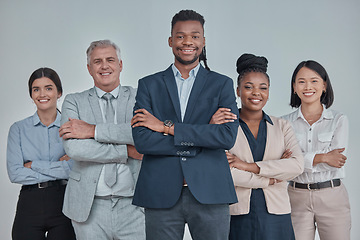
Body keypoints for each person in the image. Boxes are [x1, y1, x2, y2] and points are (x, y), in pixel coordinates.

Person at [130, 9, 239, 240]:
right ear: (170, 41)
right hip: (160, 191)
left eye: (195, 36)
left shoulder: (222, 85)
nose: (187, 41)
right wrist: (203, 134)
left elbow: (226, 137)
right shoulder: (149, 85)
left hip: (211, 190)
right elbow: (143, 141)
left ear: (203, 41)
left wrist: (166, 127)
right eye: (180, 36)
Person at [59, 39, 145, 240]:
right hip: (89, 208)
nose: (104, 66)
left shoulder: (140, 96)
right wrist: (127, 151)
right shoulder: (74, 101)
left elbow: (140, 134)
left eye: (110, 60)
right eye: (97, 61)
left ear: (120, 65)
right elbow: (75, 149)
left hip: (134, 206)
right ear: (89, 68)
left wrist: (92, 130)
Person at [213, 53, 303, 240]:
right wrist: (271, 178)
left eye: (263, 88)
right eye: (248, 87)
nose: (256, 93)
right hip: (237, 215)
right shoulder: (224, 126)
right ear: (237, 91)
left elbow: (296, 166)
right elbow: (222, 172)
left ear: (269, 92)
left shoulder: (282, 126)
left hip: (277, 216)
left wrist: (247, 166)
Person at [282, 60, 351, 240]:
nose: (308, 86)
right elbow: (284, 166)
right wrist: (322, 157)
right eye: (302, 81)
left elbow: (336, 162)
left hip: (332, 196)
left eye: (314, 81)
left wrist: (298, 161)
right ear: (294, 87)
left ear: (324, 85)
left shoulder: (338, 120)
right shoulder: (283, 123)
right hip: (296, 197)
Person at [6, 67, 76, 240]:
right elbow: (15, 173)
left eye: (49, 88)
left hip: (64, 201)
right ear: (31, 95)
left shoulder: (72, 127)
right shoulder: (18, 129)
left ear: (59, 93)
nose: (42, 94)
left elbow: (74, 169)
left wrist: (34, 165)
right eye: (36, 89)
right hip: (29, 203)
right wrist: (61, 166)